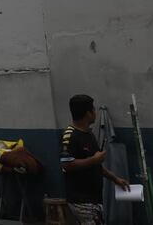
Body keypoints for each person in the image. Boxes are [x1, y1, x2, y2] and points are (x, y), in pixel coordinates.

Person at [60, 94, 129, 225]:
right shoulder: (69, 136)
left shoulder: (88, 133)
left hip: (94, 198)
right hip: (81, 200)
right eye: (93, 110)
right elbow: (66, 164)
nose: (95, 113)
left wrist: (115, 179)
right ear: (88, 113)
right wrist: (93, 160)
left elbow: (95, 164)